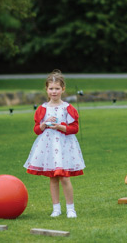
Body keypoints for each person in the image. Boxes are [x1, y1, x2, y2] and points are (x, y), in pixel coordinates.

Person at [24, 70, 85, 218]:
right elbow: (37, 130)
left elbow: (74, 128)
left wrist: (60, 127)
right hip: (49, 146)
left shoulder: (68, 108)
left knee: (64, 177)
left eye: (57, 88)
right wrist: (44, 124)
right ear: (46, 89)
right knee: (53, 177)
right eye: (51, 88)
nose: (54, 91)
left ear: (63, 89)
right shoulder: (42, 109)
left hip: (64, 145)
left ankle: (71, 208)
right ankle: (56, 208)